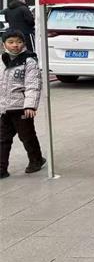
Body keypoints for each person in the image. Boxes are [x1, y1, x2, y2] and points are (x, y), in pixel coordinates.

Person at [0, 30, 45, 178]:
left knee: (27, 136)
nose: (15, 45)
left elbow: (33, 85)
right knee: (3, 139)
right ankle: (1, 168)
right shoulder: (1, 60)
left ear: (24, 44)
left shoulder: (29, 61)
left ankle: (36, 160)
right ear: (4, 44)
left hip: (22, 108)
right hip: (4, 108)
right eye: (11, 42)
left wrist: (30, 105)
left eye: (19, 42)